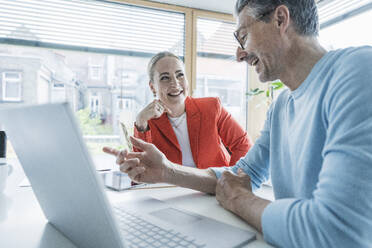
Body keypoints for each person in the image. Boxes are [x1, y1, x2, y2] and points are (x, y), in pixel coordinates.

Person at [104, 0, 372, 247]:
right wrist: (166, 171)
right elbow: (243, 174)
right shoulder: (281, 106)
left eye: (243, 36)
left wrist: (241, 200)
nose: (239, 54)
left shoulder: (359, 70)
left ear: (280, 19)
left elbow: (336, 232)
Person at [132, 51, 253, 169]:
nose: (175, 83)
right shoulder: (148, 122)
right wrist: (140, 122)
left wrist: (231, 179)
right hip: (171, 188)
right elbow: (142, 168)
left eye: (180, 75)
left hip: (213, 186)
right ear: (153, 87)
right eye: (165, 78)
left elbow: (243, 144)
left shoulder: (211, 107)